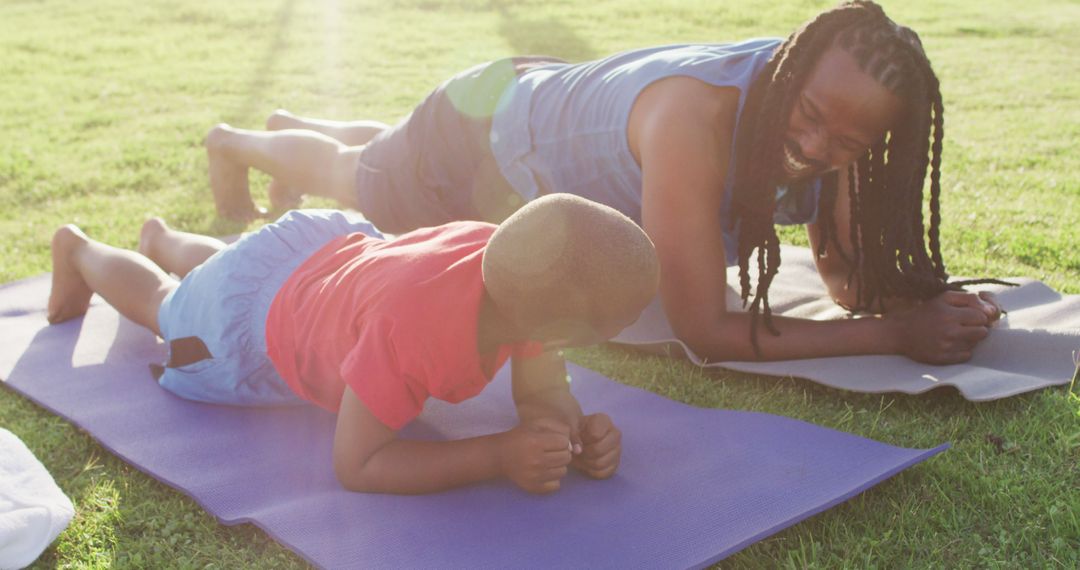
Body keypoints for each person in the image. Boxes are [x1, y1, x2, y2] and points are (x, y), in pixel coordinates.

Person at [204, 0, 1004, 365]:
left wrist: (915, 304)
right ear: (791, 74)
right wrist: (895, 337)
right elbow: (704, 330)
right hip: (478, 137)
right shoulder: (696, 123)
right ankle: (240, 143)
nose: (813, 144)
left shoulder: (832, 121)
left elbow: (842, 278)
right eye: (810, 115)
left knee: (376, 153)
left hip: (547, 104)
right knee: (362, 180)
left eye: (848, 143)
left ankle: (292, 127)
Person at [45, 195, 661, 495]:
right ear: (554, 330)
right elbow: (358, 464)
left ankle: (163, 236)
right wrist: (498, 456)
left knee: (234, 268)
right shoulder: (410, 332)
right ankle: (79, 250)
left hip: (314, 253)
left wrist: (569, 430)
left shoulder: (515, 266)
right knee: (168, 306)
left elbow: (543, 387)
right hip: (250, 327)